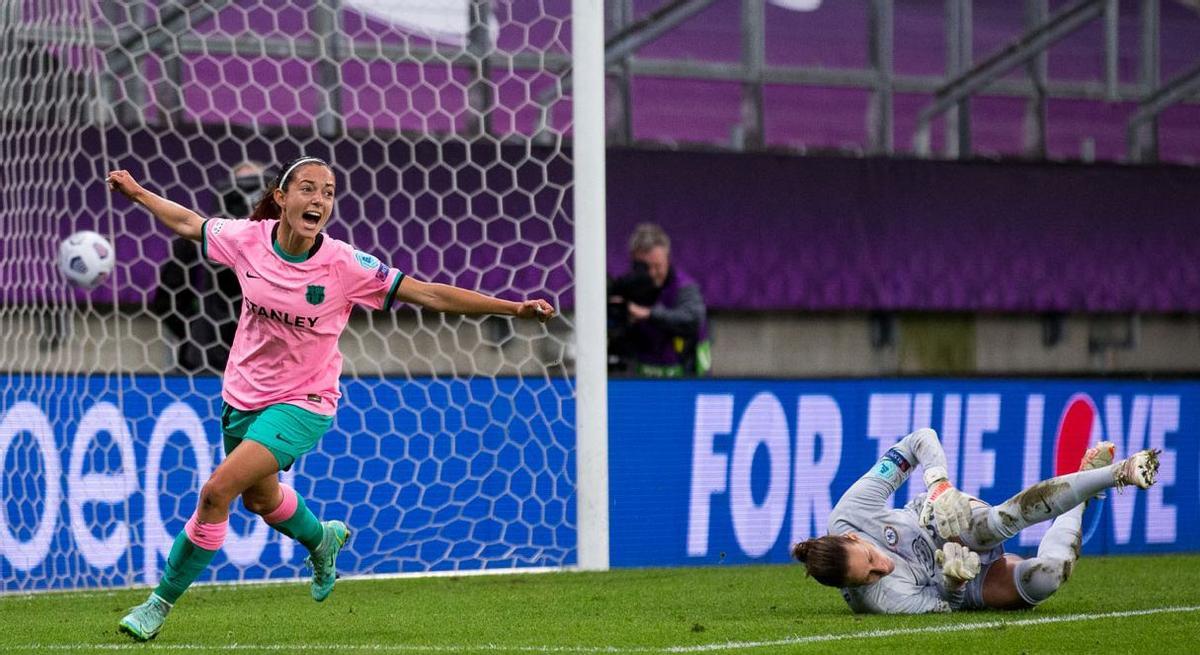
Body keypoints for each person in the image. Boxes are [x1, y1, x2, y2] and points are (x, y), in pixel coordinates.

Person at [106, 156, 555, 641]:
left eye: (328, 192)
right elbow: (188, 222)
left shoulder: (344, 264)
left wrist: (513, 309)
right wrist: (137, 193)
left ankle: (157, 604)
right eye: (308, 188)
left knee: (217, 492)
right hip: (243, 394)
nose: (318, 199)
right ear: (281, 197)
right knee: (261, 499)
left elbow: (428, 295)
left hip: (306, 400)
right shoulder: (248, 240)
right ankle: (323, 540)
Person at [791, 428, 1160, 614]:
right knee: (1046, 579)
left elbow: (920, 439)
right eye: (867, 577)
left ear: (854, 538)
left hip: (940, 518)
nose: (881, 567)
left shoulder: (850, 511)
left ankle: (1119, 472)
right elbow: (944, 606)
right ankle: (1081, 494)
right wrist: (953, 580)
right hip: (961, 576)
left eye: (870, 558)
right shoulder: (882, 599)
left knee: (998, 521)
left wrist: (938, 485)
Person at [151, 161, 266, 372]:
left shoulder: (281, 247)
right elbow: (167, 297)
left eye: (254, 189)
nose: (247, 198)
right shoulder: (200, 237)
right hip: (206, 360)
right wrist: (193, 332)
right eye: (241, 188)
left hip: (262, 361)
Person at [608, 223, 710, 377]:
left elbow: (692, 319)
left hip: (684, 379)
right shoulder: (626, 288)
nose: (653, 273)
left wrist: (647, 314)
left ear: (667, 259)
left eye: (658, 266)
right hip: (638, 379)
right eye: (645, 267)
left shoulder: (684, 287)